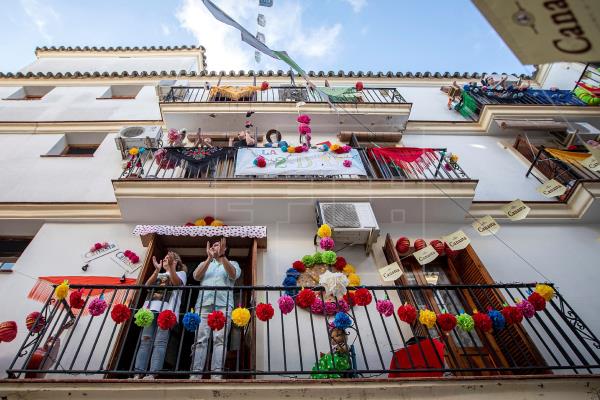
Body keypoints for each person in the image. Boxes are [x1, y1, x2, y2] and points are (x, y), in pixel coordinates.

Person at [191, 238, 241, 379]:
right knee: (200, 339)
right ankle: (196, 374)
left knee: (220, 339)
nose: (214, 246)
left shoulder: (233, 263)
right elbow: (196, 276)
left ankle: (216, 374)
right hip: (204, 304)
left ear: (225, 248)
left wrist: (222, 257)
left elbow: (233, 275)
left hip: (223, 305)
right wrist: (208, 258)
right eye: (212, 245)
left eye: (217, 245)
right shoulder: (205, 263)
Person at [134, 251, 187, 379]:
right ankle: (137, 373)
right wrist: (156, 271)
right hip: (151, 310)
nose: (165, 260)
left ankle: (152, 373)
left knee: (160, 342)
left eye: (169, 258)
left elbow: (176, 284)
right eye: (164, 259)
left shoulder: (181, 273)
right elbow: (147, 286)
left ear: (176, 262)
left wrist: (172, 268)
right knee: (145, 340)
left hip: (166, 311)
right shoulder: (160, 274)